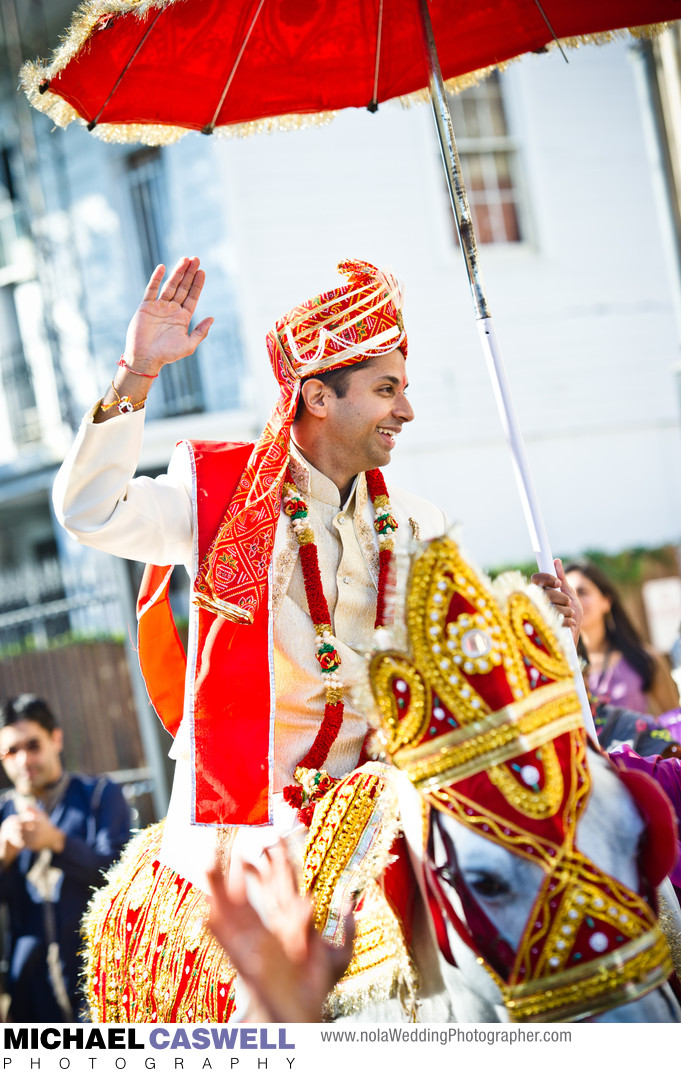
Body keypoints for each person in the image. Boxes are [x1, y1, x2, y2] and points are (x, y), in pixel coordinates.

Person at [52, 256, 579, 1021]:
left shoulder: (417, 524)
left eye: (402, 387)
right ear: (315, 396)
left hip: (384, 801)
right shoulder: (219, 493)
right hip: (250, 815)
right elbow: (91, 510)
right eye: (386, 389)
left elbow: (468, 672)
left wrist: (545, 628)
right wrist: (136, 371)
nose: (406, 410)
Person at [0, 694, 131, 1022]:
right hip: (30, 999)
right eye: (11, 751)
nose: (23, 760)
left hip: (100, 988)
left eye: (33, 745)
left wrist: (58, 842)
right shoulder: (3, 814)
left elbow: (121, 878)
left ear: (55, 738)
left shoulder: (100, 795)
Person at [565, 558, 679, 716]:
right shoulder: (565, 667)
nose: (575, 601)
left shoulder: (645, 660)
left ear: (606, 601)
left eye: (582, 592)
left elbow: (674, 721)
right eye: (569, 595)